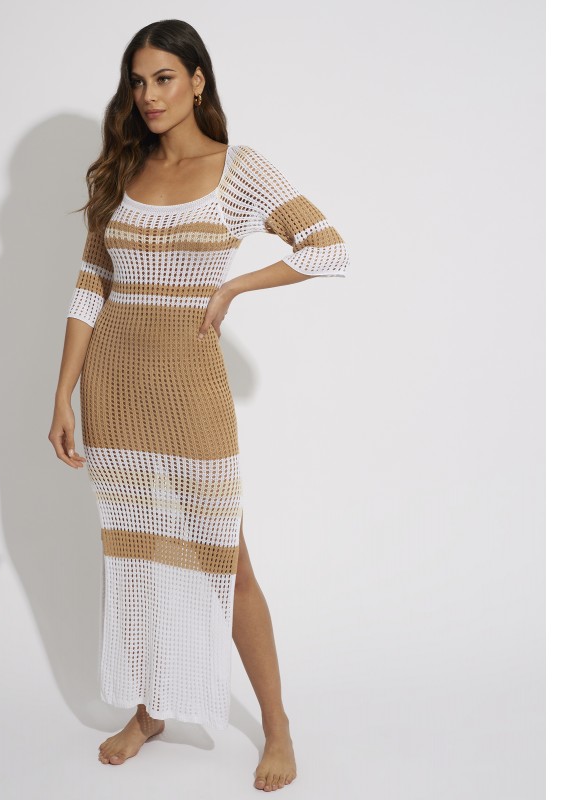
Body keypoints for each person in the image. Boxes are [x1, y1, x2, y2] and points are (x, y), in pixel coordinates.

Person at [48, 18, 349, 792]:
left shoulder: (237, 169)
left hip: (190, 390)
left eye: (164, 78)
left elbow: (327, 246)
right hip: (114, 388)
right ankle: (151, 709)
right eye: (138, 81)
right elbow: (91, 284)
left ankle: (277, 727)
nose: (149, 96)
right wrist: (62, 393)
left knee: (227, 561)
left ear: (197, 81)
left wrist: (236, 285)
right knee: (141, 557)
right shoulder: (123, 169)